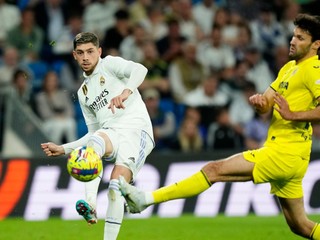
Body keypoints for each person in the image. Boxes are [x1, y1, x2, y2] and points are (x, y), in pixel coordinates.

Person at [118, 14, 320, 239]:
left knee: (213, 170)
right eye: (293, 36)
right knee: (300, 226)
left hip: (286, 153)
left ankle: (145, 200)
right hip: (286, 152)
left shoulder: (314, 69)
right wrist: (259, 102)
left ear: (316, 44)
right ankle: (143, 201)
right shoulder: (289, 68)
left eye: (300, 38)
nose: (292, 41)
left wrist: (293, 115)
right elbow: (266, 105)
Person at [40, 32, 154, 240]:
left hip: (137, 131)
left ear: (99, 52)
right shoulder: (84, 92)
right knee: (93, 145)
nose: (86, 57)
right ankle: (90, 204)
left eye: (90, 52)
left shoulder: (109, 64)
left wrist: (126, 91)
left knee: (115, 186)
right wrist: (64, 148)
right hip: (112, 133)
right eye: (81, 53)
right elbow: (92, 134)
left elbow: (140, 69)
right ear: (74, 55)